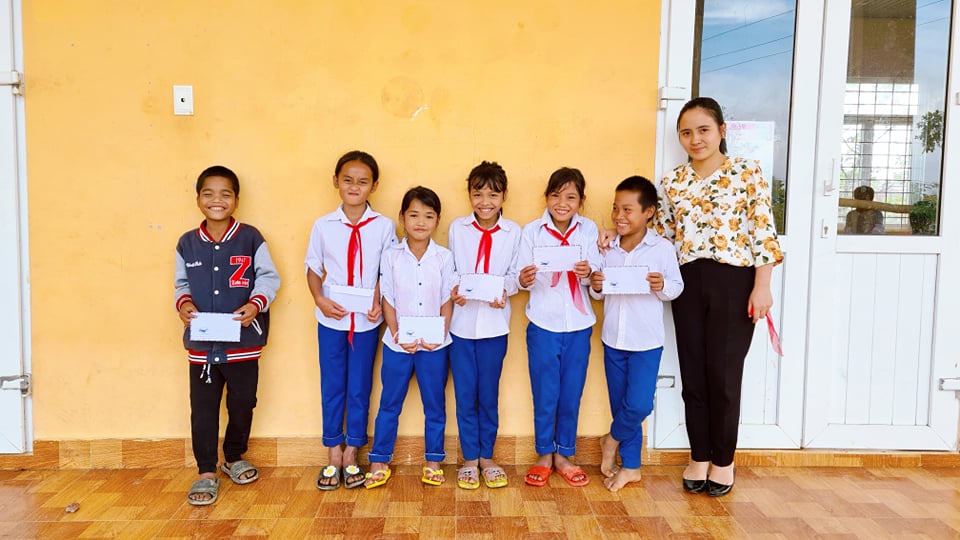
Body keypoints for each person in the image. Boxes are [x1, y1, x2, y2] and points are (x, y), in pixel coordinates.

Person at [659, 97, 783, 496]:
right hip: (687, 283)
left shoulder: (747, 173)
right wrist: (617, 235)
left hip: (734, 282)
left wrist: (761, 286)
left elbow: (762, 233)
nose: (695, 139)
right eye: (686, 132)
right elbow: (662, 237)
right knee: (693, 375)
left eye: (703, 130)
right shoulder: (673, 181)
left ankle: (723, 461)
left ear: (722, 131)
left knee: (724, 376)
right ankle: (698, 455)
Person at [175, 165, 281, 506]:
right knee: (203, 409)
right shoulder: (187, 243)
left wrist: (255, 304)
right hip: (203, 347)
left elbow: (268, 278)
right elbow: (181, 285)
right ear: (198, 199)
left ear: (236, 199)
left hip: (244, 344)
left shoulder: (251, 237)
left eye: (225, 194)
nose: (216, 200)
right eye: (208, 193)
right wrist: (184, 305)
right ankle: (206, 470)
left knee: (242, 404)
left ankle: (234, 456)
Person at [305, 150, 397, 490]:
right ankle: (333, 449)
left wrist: (378, 299)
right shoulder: (323, 226)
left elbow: (389, 271)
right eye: (348, 180)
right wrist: (320, 299)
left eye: (362, 181)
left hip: (367, 322)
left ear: (374, 185)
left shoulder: (385, 226)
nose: (354, 186)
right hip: (331, 319)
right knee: (332, 385)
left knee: (359, 386)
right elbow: (313, 268)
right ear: (336, 183)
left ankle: (353, 448)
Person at [588, 176, 683, 492]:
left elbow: (676, 287)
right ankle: (631, 467)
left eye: (627, 209)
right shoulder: (608, 247)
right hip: (614, 337)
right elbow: (598, 293)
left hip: (646, 341)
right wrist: (597, 285)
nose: (619, 216)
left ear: (649, 212)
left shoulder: (661, 249)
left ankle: (611, 439)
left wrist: (662, 286)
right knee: (620, 403)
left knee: (640, 404)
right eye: (615, 208)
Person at [364, 186, 456, 489]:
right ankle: (379, 460)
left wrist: (438, 335)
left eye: (429, 216)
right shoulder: (391, 256)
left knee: (435, 404)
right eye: (413, 214)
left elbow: (446, 299)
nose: (421, 222)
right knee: (390, 402)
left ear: (437, 220)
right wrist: (396, 332)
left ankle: (433, 460)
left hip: (434, 346)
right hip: (397, 344)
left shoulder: (444, 257)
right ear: (402, 218)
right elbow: (387, 296)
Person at [517, 167, 601, 488]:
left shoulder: (588, 230)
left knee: (571, 391)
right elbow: (521, 274)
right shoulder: (532, 232)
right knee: (545, 391)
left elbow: (597, 274)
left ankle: (565, 453)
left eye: (571, 197)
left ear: (581, 200)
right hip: (542, 323)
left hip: (579, 325)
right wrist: (523, 279)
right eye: (556, 195)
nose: (562, 203)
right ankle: (543, 454)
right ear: (547, 197)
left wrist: (588, 270)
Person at [447, 161, 521, 490]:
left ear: (504, 196)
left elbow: (517, 274)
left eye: (493, 194)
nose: (485, 201)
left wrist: (504, 290)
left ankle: (487, 457)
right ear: (469, 196)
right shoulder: (457, 229)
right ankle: (468, 458)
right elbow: (449, 268)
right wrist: (455, 290)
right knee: (465, 394)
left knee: (488, 394)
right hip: (461, 326)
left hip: (494, 327)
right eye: (478, 194)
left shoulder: (514, 232)